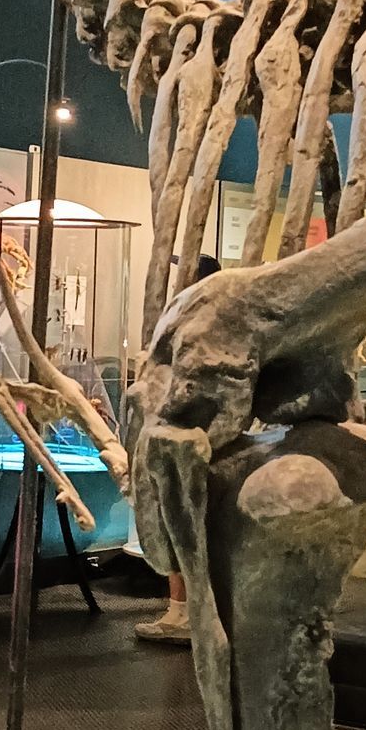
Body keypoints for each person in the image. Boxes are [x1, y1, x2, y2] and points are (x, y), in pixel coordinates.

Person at [136, 251, 221, 646]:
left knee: (180, 515)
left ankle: (184, 611)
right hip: (185, 432)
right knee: (178, 515)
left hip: (190, 433)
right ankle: (186, 609)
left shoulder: (201, 330)